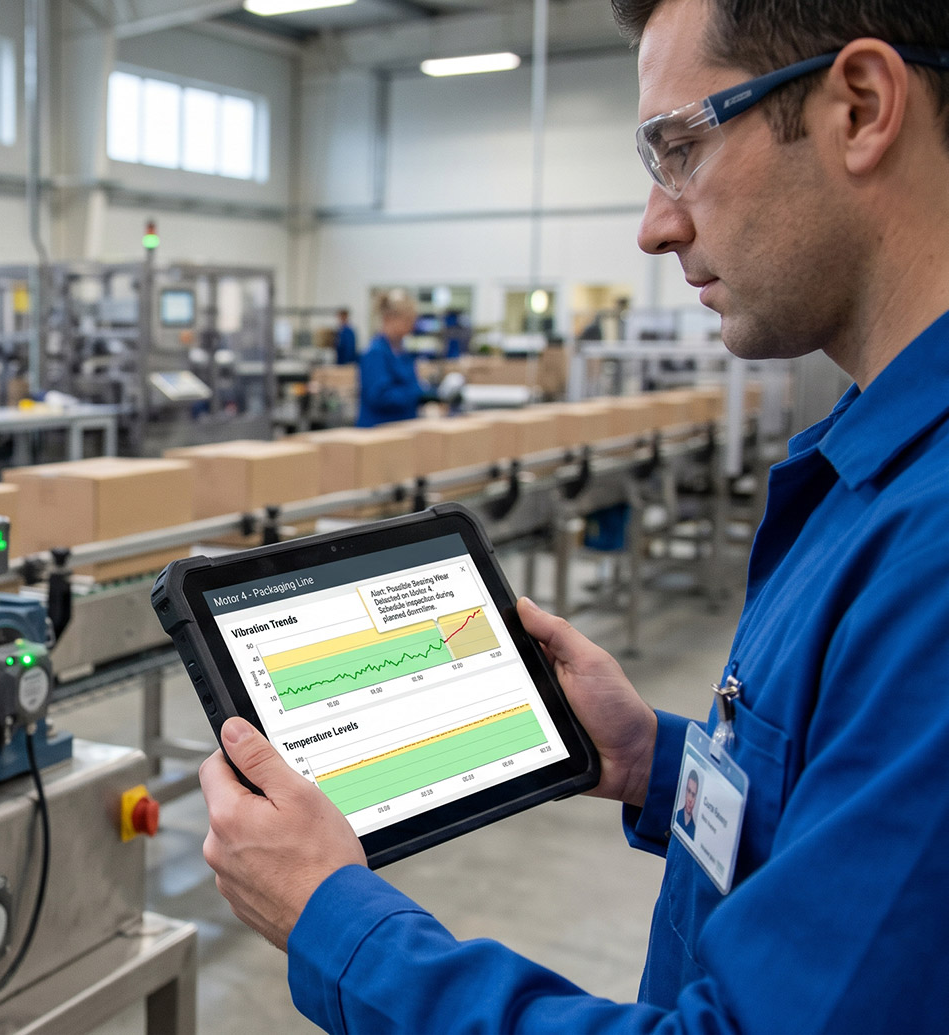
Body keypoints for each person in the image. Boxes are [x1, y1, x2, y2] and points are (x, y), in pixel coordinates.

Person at [199, 1, 949, 1031]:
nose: (654, 224)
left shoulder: (932, 541)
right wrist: (654, 761)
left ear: (859, 107)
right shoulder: (873, 467)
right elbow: (848, 841)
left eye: (679, 146)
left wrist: (337, 919)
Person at [353, 291, 428, 427]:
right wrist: (416, 392)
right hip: (378, 431)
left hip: (402, 429)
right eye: (407, 319)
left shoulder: (402, 352)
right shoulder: (375, 353)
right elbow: (379, 397)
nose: (412, 325)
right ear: (389, 319)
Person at [674, 769, 700, 837]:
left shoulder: (694, 830)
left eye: (693, 795)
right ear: (685, 791)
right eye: (689, 791)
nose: (690, 799)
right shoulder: (675, 816)